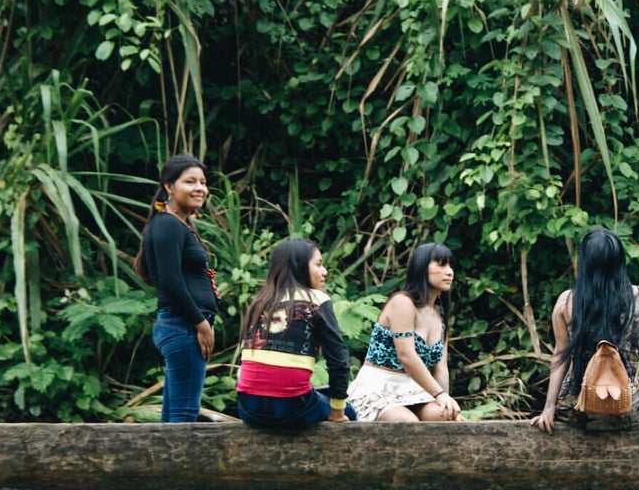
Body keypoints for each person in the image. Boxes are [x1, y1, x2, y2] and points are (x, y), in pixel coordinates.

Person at [532, 226, 639, 433]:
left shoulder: (567, 302)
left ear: (585, 263)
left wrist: (549, 408)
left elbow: (561, 355)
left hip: (576, 410)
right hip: (627, 410)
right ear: (620, 261)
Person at [234, 239, 356, 428]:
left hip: (249, 409)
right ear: (299, 267)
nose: (324, 272)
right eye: (319, 264)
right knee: (348, 412)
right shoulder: (317, 301)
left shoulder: (260, 303)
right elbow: (338, 360)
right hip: (292, 407)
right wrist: (338, 412)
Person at [137, 153, 218, 423]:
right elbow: (171, 282)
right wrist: (201, 324)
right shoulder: (167, 225)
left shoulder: (177, 225)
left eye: (203, 182)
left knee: (174, 415)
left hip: (183, 326)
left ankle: (163, 465)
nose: (200, 188)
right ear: (169, 186)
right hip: (183, 327)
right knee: (184, 416)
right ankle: (176, 466)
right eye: (190, 182)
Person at [349, 242, 463, 422]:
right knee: (407, 423)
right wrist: (439, 394)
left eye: (450, 266)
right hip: (380, 387)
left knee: (446, 417)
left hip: (415, 389)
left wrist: (445, 402)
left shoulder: (439, 312)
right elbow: (406, 355)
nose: (449, 272)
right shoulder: (403, 302)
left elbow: (441, 368)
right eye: (441, 265)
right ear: (421, 269)